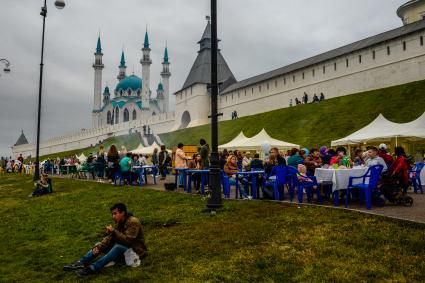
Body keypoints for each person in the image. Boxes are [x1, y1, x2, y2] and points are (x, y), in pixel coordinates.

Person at [64, 203, 147, 277]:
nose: (113, 216)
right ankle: (80, 262)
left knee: (117, 247)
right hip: (125, 248)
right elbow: (110, 238)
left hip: (136, 251)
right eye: (112, 214)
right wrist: (99, 246)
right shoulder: (120, 222)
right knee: (99, 244)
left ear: (123, 213)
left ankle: (93, 268)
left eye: (115, 213)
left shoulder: (133, 222)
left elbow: (128, 241)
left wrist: (114, 231)